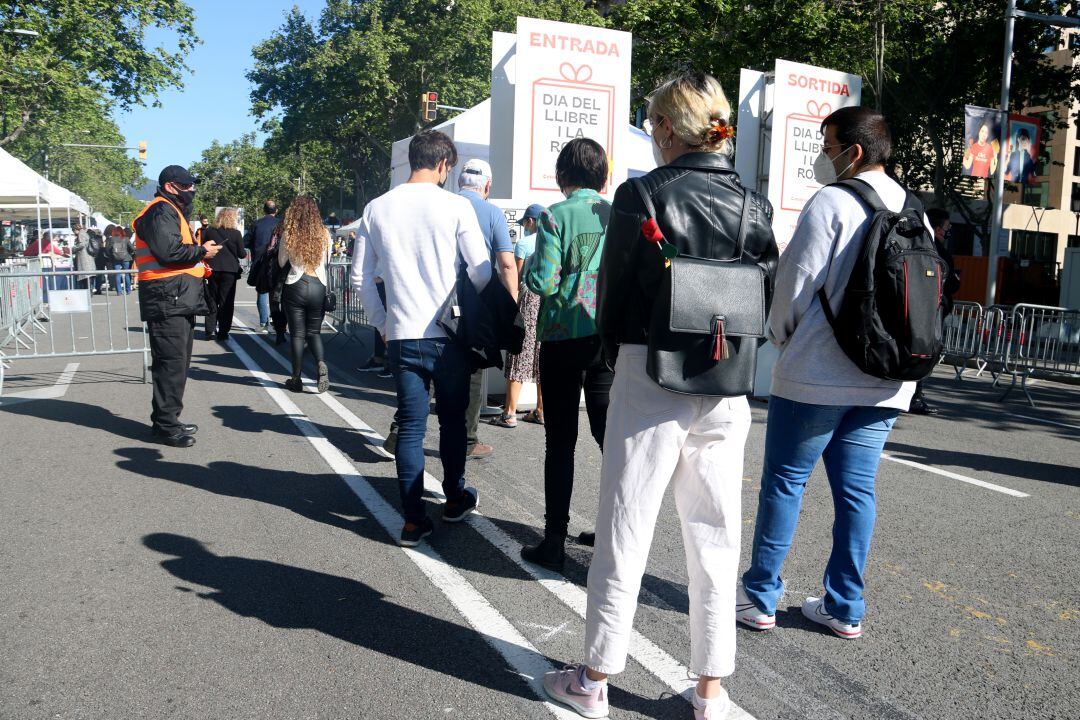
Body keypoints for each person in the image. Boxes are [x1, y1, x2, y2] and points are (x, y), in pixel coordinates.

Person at [541, 73, 778, 720]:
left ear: (670, 129)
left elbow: (614, 294)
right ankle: (710, 692)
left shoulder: (641, 194)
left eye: (651, 124)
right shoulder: (753, 204)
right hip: (725, 376)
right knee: (717, 534)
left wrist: (613, 354)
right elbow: (767, 287)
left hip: (652, 370)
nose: (649, 134)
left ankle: (594, 680)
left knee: (625, 524)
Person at [737, 107, 925, 642]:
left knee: (785, 483)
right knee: (857, 491)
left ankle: (760, 598)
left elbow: (795, 281)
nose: (824, 155)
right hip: (887, 375)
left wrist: (781, 337)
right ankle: (844, 606)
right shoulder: (916, 209)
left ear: (855, 152)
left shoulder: (832, 201)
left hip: (818, 372)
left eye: (829, 144)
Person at [351, 130, 491, 547]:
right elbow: (481, 271)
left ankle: (413, 519)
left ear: (412, 160)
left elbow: (360, 278)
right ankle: (453, 498)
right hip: (448, 335)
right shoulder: (456, 207)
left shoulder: (376, 208)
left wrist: (383, 323)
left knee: (410, 426)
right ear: (445, 165)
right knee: (451, 422)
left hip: (402, 334)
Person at [519, 138, 613, 570]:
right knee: (610, 439)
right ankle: (613, 533)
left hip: (560, 336)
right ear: (603, 176)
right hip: (607, 340)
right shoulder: (617, 214)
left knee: (560, 443)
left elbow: (543, 281)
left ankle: (554, 539)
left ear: (562, 178)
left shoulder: (555, 216)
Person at [133, 164, 221, 448]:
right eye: (187, 186)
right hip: (167, 297)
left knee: (177, 364)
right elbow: (168, 252)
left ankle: (169, 419)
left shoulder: (169, 210)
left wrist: (198, 252)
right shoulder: (161, 211)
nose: (192, 190)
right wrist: (201, 251)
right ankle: (165, 426)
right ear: (171, 186)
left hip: (174, 297)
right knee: (170, 365)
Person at [458, 158, 519, 459]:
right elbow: (507, 263)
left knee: (430, 364)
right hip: (476, 298)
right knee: (473, 366)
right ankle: (469, 440)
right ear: (488, 185)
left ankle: (399, 428)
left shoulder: (443, 204)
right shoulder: (492, 212)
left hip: (438, 297)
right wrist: (512, 303)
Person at [491, 203, 546, 428]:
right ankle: (541, 411)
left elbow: (517, 276)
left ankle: (509, 413)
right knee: (542, 356)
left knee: (519, 353)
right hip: (547, 299)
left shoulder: (524, 244)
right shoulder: (554, 241)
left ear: (531, 222)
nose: (524, 226)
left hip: (528, 299)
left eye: (524, 222)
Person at [278, 196, 332, 393]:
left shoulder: (290, 234)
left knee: (297, 335)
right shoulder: (324, 233)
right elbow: (326, 260)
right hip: (319, 285)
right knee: (314, 332)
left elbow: (281, 262)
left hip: (296, 284)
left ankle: (296, 378)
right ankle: (320, 364)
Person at [908, 208, 959, 416]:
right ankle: (916, 396)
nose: (948, 232)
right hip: (931, 312)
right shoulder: (937, 251)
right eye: (947, 228)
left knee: (917, 352)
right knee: (925, 353)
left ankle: (912, 394)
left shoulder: (915, 244)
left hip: (916, 309)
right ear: (938, 229)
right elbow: (951, 282)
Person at [203, 207, 246, 342]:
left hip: (212, 269)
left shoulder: (209, 231)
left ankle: (209, 330)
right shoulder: (236, 234)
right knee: (226, 301)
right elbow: (241, 254)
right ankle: (223, 331)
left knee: (212, 300)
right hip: (230, 270)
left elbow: (203, 247)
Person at [245, 200, 280, 332]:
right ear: (276, 211)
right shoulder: (281, 224)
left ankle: (263, 323)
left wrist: (256, 248)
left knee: (262, 292)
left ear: (264, 210)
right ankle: (278, 324)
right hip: (277, 263)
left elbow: (246, 241)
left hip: (260, 262)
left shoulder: (257, 224)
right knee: (276, 294)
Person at [106, 225, 135, 295]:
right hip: (126, 258)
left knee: (117, 275)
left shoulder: (112, 239)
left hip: (116, 258)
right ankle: (128, 290)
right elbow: (132, 248)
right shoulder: (126, 239)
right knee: (127, 274)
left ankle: (119, 291)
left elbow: (107, 250)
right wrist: (130, 253)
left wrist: (112, 255)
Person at [72, 223, 96, 289]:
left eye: (73, 231)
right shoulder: (84, 233)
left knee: (86, 278)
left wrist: (73, 249)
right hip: (88, 258)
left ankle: (87, 293)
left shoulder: (81, 234)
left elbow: (81, 245)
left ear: (76, 230)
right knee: (88, 278)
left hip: (84, 258)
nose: (73, 233)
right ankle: (89, 291)